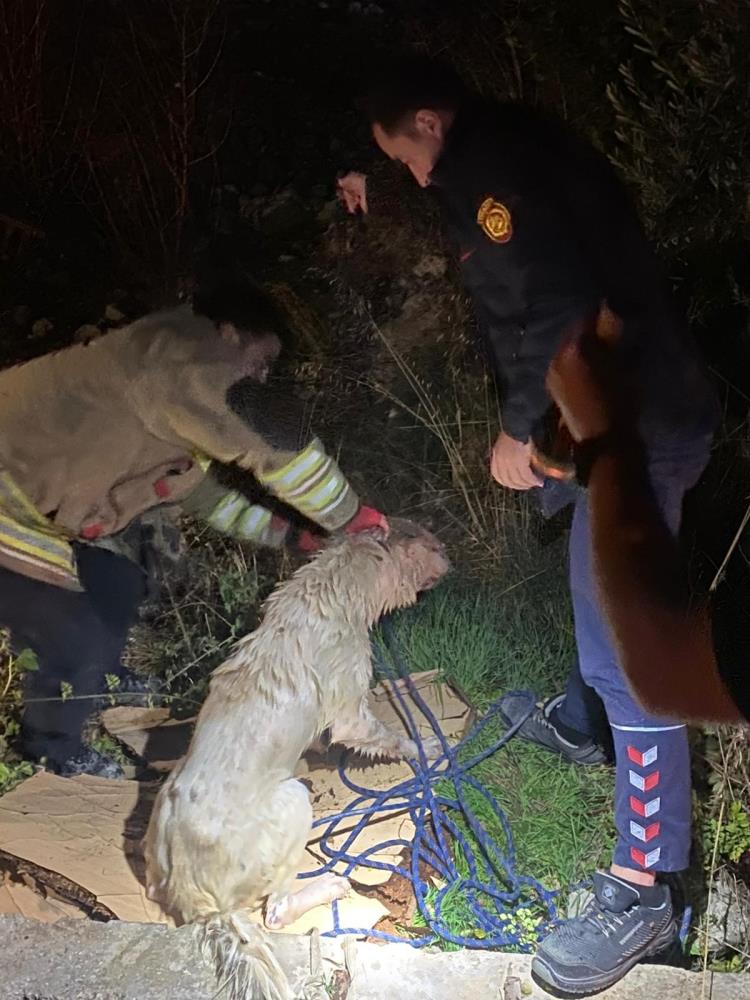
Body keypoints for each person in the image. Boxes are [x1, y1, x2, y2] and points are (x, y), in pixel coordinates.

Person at [337, 57, 720, 996]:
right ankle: (591, 726)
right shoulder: (514, 146)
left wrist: (523, 433)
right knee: (602, 625)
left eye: (407, 161)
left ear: (430, 121)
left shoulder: (490, 172)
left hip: (628, 429)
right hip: (629, 420)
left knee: (628, 651)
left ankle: (648, 887)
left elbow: (554, 311)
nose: (417, 182)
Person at [0, 283, 386, 780]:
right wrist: (350, 516)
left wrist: (294, 537)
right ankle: (49, 745)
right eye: (261, 359)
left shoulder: (165, 407)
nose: (261, 376)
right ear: (228, 332)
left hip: (28, 509)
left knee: (117, 583)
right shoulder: (177, 357)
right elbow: (268, 436)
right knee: (75, 632)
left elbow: (209, 499)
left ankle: (99, 672)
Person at [545, 318, 746, 726]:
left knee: (615, 669)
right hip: (646, 430)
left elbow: (667, 673)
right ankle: (580, 723)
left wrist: (604, 448)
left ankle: (638, 778)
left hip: (647, 437)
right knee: (606, 653)